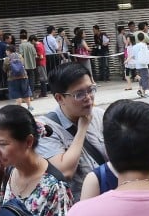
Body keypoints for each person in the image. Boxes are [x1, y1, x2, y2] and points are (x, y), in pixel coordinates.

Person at [36, 64, 108, 201]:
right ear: (59, 98)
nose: (88, 98)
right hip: (77, 208)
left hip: (108, 200)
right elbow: (65, 171)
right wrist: (82, 130)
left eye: (91, 90)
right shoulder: (46, 129)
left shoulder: (101, 116)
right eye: (79, 94)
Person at [127, 32, 149, 98]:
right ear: (143, 38)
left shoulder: (134, 46)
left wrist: (127, 60)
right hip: (143, 65)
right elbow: (146, 54)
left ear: (137, 38)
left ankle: (139, 89)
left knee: (141, 78)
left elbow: (132, 55)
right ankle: (143, 93)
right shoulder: (144, 45)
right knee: (145, 78)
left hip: (137, 65)